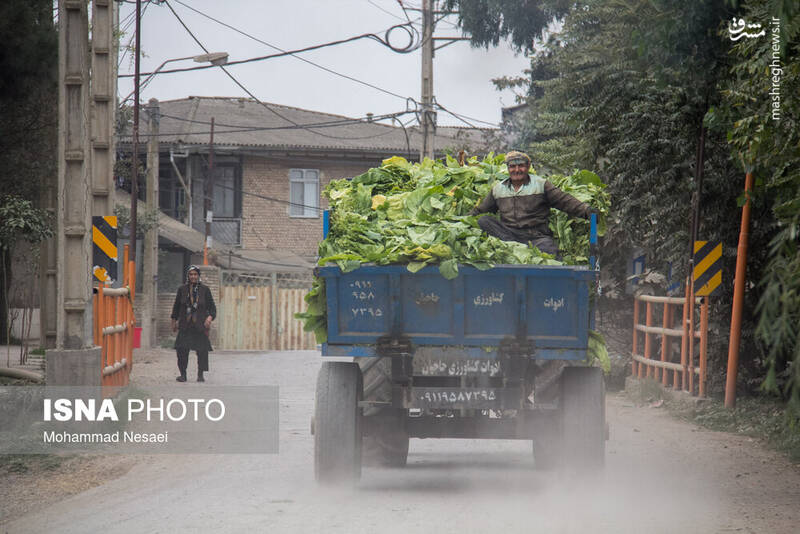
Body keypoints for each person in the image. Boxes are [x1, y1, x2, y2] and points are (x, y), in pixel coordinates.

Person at [471, 150, 594, 255]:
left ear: (528, 166)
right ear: (508, 168)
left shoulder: (541, 185)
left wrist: (586, 211)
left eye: (521, 166)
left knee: (550, 250)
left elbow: (564, 201)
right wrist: (459, 219)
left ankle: (518, 247)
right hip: (508, 235)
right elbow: (481, 210)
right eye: (512, 166)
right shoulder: (498, 189)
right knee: (484, 220)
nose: (517, 170)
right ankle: (511, 245)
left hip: (536, 237)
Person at [171, 265, 216, 382]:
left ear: (198, 276)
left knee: (202, 351)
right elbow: (176, 307)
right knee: (181, 350)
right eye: (191, 274)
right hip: (185, 325)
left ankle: (200, 375)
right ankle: (183, 375)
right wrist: (174, 321)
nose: (193, 277)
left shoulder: (205, 290)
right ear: (188, 276)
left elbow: (212, 308)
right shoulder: (182, 289)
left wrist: (209, 318)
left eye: (195, 274)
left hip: (200, 326)